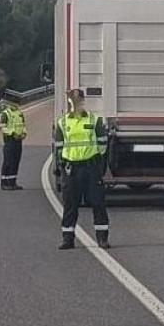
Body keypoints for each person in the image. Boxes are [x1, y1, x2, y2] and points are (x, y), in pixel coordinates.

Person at [55, 88, 110, 249]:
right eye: (73, 101)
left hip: (90, 167)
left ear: (83, 102)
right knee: (70, 204)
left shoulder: (94, 120)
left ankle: (102, 238)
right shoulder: (63, 122)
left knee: (97, 202)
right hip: (71, 169)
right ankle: (68, 238)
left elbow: (102, 143)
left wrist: (94, 160)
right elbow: (59, 146)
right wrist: (63, 163)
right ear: (69, 102)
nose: (75, 104)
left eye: (78, 101)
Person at [0, 89, 26, 190]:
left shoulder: (19, 113)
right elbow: (2, 127)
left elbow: (23, 125)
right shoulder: (6, 113)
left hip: (18, 140)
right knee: (8, 161)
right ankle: (5, 183)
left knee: (16, 161)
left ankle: (13, 182)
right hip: (9, 141)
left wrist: (24, 133)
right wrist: (12, 133)